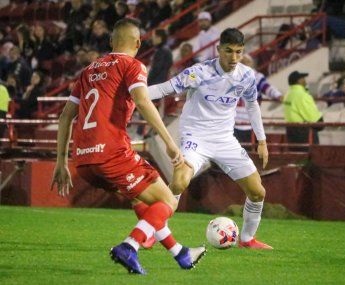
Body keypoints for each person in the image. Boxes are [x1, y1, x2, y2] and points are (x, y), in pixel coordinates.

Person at [50, 18, 206, 275]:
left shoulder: (88, 70)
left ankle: (181, 254)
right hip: (112, 153)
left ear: (111, 41)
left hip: (83, 160)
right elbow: (143, 102)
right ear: (138, 42)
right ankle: (129, 245)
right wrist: (169, 143)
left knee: (140, 199)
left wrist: (60, 161)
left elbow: (66, 115)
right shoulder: (132, 65)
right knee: (168, 200)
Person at [148, 28, 272, 250]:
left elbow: (253, 105)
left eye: (239, 52)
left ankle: (247, 239)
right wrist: (134, 93)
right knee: (179, 182)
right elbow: (165, 89)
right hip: (195, 136)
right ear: (218, 49)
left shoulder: (246, 75)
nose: (234, 58)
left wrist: (262, 141)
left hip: (225, 140)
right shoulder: (199, 72)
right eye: (229, 51)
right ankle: (151, 230)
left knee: (257, 192)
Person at [234, 54, 282, 145]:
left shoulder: (255, 77)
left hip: (247, 122)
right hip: (238, 122)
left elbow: (267, 88)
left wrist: (278, 95)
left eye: (246, 62)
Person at [283, 71, 323, 149]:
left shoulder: (288, 95)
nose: (305, 80)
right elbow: (314, 118)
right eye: (303, 78)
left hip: (291, 133)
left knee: (296, 158)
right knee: (309, 159)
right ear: (298, 81)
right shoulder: (302, 95)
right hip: (304, 134)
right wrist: (320, 122)